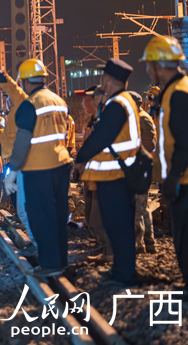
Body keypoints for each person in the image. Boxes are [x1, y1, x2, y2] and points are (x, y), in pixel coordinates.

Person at [3, 58, 73, 277]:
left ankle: (50, 264)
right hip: (61, 164)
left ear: (24, 82)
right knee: (58, 215)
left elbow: (24, 140)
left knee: (40, 216)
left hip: (38, 168)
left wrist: (13, 171)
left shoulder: (30, 104)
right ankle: (60, 261)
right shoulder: (58, 100)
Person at [75, 58, 139, 287]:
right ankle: (123, 269)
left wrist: (81, 158)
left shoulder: (118, 104)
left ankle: (124, 273)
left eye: (104, 77)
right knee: (120, 226)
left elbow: (102, 136)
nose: (102, 81)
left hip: (116, 177)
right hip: (120, 174)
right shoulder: (125, 101)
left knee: (119, 225)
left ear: (110, 80)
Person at [142, 35, 188, 288]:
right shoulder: (177, 90)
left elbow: (184, 141)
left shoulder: (178, 94)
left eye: (149, 64)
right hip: (182, 177)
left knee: (183, 238)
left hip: (185, 180)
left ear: (159, 65)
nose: (148, 70)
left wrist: (173, 178)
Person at [0, 61, 34, 248]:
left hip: (24, 162)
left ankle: (38, 247)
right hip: (29, 162)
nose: (8, 100)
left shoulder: (27, 105)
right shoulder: (50, 102)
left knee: (23, 196)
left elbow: (23, 138)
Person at [75, 85, 112, 263]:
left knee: (101, 214)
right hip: (93, 173)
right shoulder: (93, 121)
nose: (82, 103)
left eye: (84, 99)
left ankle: (109, 252)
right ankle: (104, 248)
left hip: (103, 173)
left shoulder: (103, 120)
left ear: (94, 100)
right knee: (93, 214)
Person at [129, 90, 157, 254]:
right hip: (138, 167)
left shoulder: (142, 118)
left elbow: (149, 144)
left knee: (138, 208)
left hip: (139, 168)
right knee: (143, 207)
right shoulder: (138, 117)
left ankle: (138, 245)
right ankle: (150, 243)